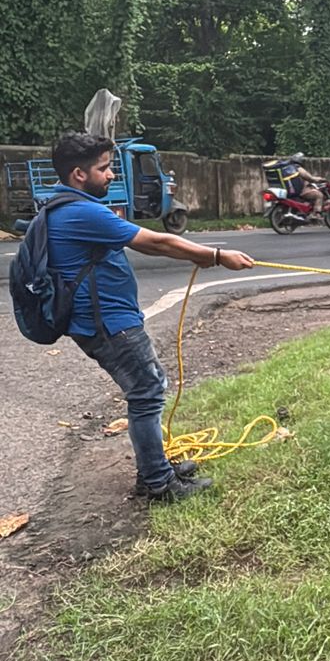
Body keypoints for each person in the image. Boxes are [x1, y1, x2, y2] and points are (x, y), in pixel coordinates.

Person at [46, 132, 256, 505]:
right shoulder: (81, 211)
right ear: (79, 174)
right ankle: (158, 482)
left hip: (105, 320)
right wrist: (217, 254)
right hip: (108, 324)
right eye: (104, 168)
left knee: (149, 387)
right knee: (146, 392)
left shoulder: (65, 206)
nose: (111, 175)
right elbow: (157, 242)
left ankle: (155, 467)